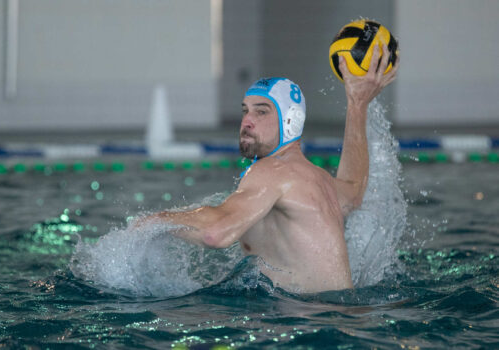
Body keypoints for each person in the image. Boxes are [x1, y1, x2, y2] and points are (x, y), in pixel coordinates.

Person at [144, 44, 399, 294]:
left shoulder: (272, 172)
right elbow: (354, 190)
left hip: (309, 324)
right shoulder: (318, 179)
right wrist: (358, 104)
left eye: (262, 112)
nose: (247, 121)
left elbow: (215, 233)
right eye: (245, 111)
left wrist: (154, 222)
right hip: (343, 318)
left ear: (290, 121)